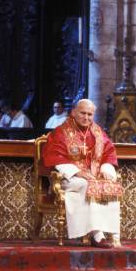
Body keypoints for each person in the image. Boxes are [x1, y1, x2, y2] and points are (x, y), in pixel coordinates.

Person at [43, 99, 123, 248]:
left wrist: (105, 168)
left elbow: (109, 153)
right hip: (69, 178)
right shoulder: (61, 132)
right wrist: (77, 172)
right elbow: (55, 156)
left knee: (109, 183)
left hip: (92, 176)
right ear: (73, 112)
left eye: (90, 114)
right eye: (83, 113)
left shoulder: (98, 133)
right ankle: (97, 235)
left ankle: (113, 233)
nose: (86, 117)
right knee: (86, 184)